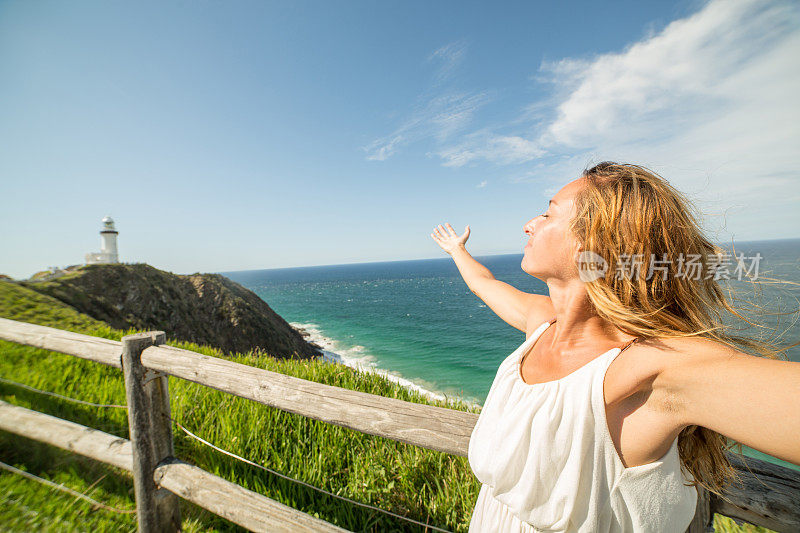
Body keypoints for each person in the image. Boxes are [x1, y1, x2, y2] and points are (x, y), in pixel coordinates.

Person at [430, 162, 800, 532]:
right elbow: (484, 283)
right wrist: (456, 250)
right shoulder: (541, 323)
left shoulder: (654, 368)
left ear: (595, 242)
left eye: (548, 213)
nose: (530, 223)